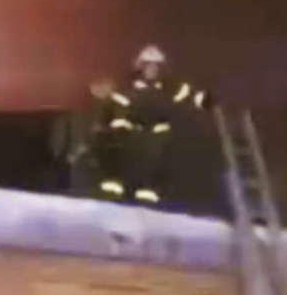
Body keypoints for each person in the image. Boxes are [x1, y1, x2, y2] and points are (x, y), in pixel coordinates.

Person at [88, 45, 209, 206]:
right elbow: (111, 104)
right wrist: (103, 125)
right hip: (130, 135)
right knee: (112, 147)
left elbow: (192, 95)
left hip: (157, 136)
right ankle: (114, 184)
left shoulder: (171, 88)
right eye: (148, 65)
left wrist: (207, 101)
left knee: (161, 154)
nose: (152, 69)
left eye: (156, 65)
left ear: (162, 68)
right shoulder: (126, 86)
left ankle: (150, 189)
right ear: (140, 66)